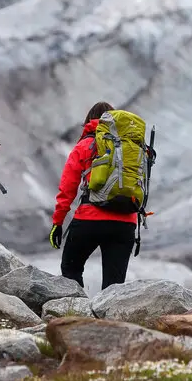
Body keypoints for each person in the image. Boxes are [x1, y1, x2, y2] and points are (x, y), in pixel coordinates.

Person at [48, 101, 138, 289]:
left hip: (90, 218)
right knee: (114, 286)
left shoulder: (85, 145)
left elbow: (67, 189)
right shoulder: (130, 146)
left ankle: (78, 314)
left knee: (70, 269)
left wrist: (57, 222)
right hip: (125, 222)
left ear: (89, 121)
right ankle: (111, 318)